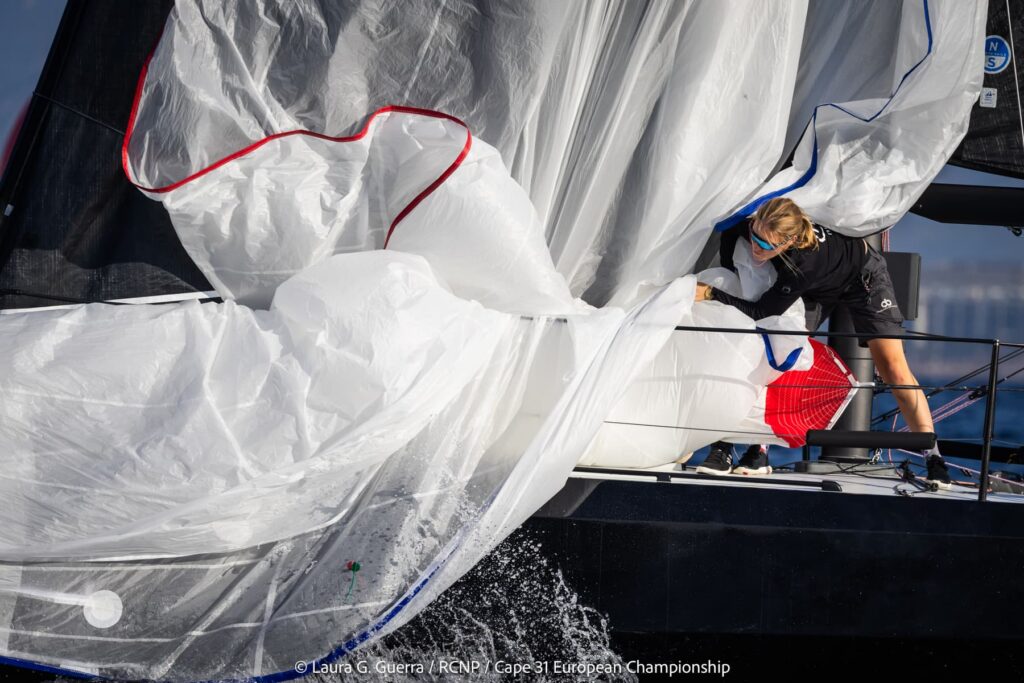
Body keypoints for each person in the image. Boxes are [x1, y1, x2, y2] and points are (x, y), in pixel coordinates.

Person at [693, 197, 951, 489]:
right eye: (755, 236)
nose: (756, 248)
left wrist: (713, 295)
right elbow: (736, 279)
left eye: (767, 245)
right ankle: (749, 448)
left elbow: (764, 311)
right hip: (808, 288)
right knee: (774, 352)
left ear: (789, 241)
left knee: (894, 368)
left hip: (860, 276)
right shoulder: (742, 230)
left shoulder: (803, 262)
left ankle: (934, 458)